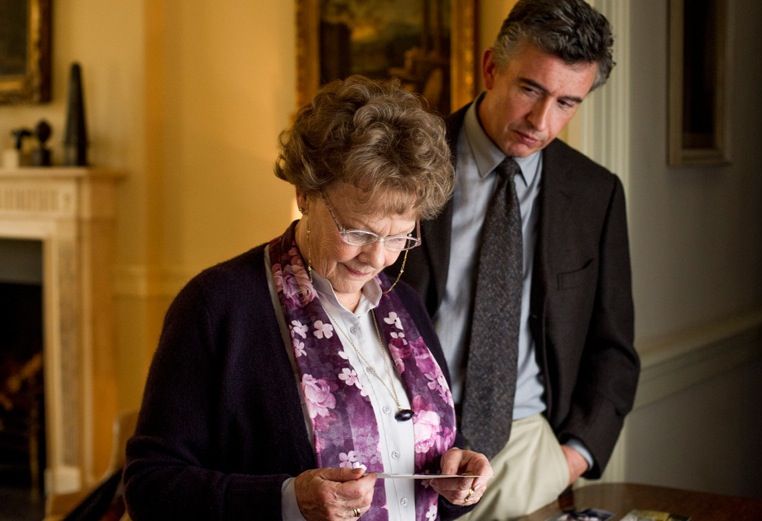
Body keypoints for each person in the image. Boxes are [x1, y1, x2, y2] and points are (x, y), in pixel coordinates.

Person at [123, 76, 493, 521]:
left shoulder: (405, 305)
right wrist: (286, 501)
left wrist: (456, 477)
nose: (375, 258)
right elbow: (150, 486)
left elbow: (419, 483)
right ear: (305, 194)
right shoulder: (217, 307)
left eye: (398, 238)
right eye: (356, 231)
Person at [387, 0, 640, 518]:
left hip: (526, 456)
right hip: (401, 449)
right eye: (530, 89)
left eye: (567, 103)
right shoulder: (404, 164)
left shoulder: (597, 194)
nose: (541, 122)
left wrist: (572, 457)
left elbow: (613, 346)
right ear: (490, 68)